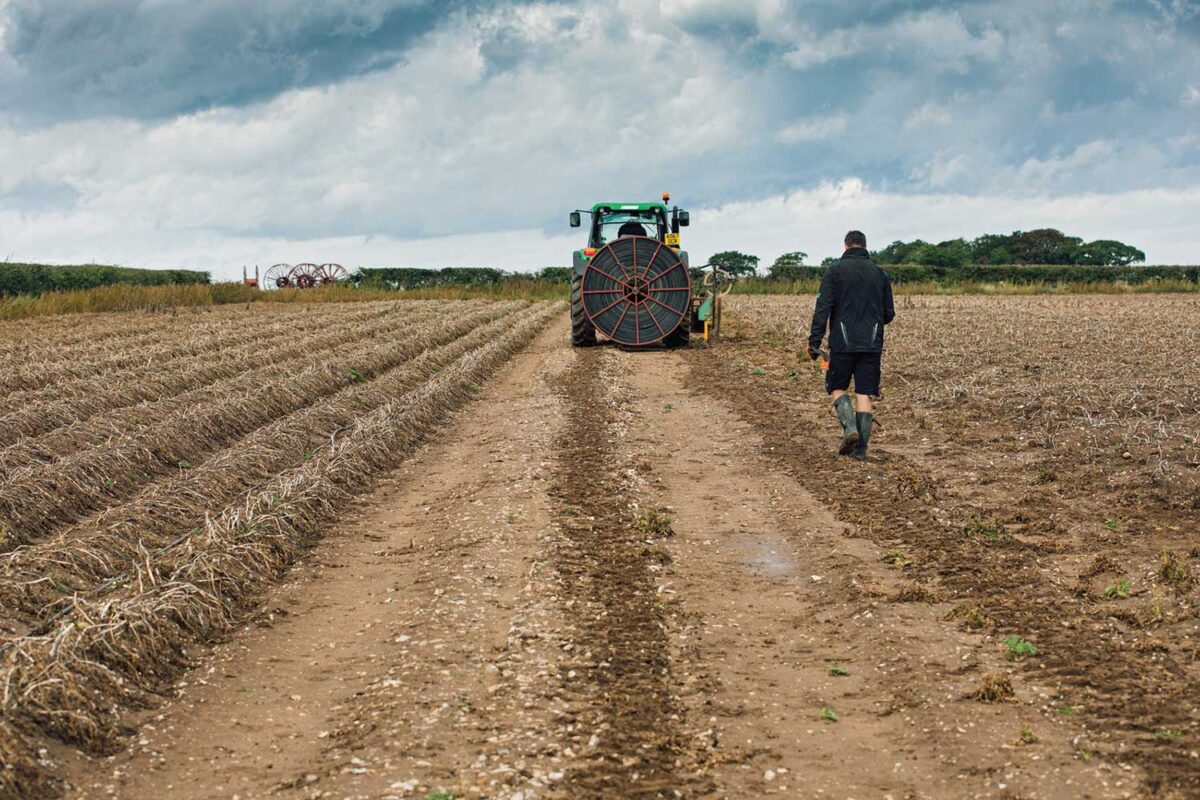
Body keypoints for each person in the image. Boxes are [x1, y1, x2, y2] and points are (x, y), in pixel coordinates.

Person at [806, 230, 895, 460]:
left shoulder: (834, 272)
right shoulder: (880, 274)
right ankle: (861, 450)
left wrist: (814, 342)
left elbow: (823, 308)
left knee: (837, 387)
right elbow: (889, 313)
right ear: (865, 246)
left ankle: (850, 429)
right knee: (864, 393)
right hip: (872, 343)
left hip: (842, 343)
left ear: (845, 247)